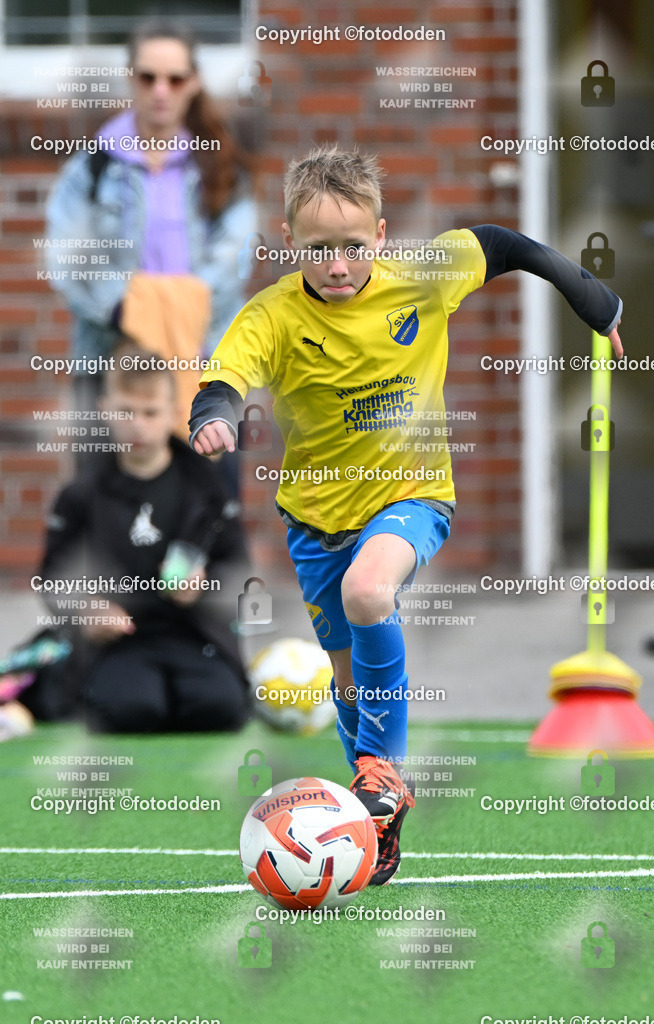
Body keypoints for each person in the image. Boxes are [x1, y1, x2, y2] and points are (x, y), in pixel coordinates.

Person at [187, 144, 624, 883]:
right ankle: (372, 822)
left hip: (410, 497)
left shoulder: (422, 279)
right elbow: (226, 373)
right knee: (350, 686)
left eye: (353, 247)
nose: (335, 265)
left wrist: (590, 297)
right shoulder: (272, 316)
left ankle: (384, 772)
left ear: (381, 237)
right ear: (290, 241)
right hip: (314, 519)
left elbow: (504, 245)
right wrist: (214, 415)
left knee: (368, 591)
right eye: (318, 249)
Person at [45, 17, 256, 420]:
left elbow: (236, 253)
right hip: (111, 364)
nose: (161, 90)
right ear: (131, 79)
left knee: (209, 484)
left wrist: (181, 314)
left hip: (207, 364)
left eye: (175, 79)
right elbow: (68, 254)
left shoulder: (220, 165)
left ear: (193, 82)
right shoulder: (91, 168)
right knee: (105, 486)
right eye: (148, 77)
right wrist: (126, 313)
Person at [39, 342, 252, 733]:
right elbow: (53, 577)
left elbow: (238, 568)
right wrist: (86, 612)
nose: (137, 424)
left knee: (221, 708)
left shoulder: (207, 486)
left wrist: (204, 586)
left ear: (172, 412)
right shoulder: (82, 492)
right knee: (132, 711)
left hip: (194, 632)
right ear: (104, 409)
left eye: (150, 412)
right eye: (125, 411)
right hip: (122, 639)